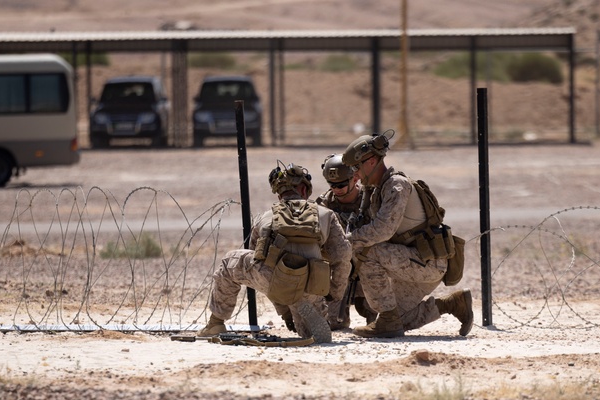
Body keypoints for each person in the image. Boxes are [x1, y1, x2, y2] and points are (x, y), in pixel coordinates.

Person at [197, 162, 352, 344]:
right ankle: (302, 308)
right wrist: (333, 294)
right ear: (304, 189)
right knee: (307, 332)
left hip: (277, 281)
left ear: (279, 194)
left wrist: (282, 309)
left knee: (233, 262)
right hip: (313, 284)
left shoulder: (265, 217)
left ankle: (216, 323)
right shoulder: (326, 214)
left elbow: (259, 261)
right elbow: (343, 256)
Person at [340, 130, 473, 338]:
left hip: (427, 262)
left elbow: (383, 229)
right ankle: (453, 305)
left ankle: (386, 320)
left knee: (369, 254)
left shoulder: (396, 186)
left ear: (372, 161)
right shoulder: (376, 190)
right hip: (411, 261)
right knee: (398, 320)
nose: (354, 174)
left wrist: (345, 242)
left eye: (357, 167)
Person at [314, 153, 375, 330]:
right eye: (332, 185)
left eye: (341, 184)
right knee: (334, 324)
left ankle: (367, 303)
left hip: (368, 269)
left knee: (380, 318)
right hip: (338, 273)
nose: (337, 189)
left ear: (355, 178)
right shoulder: (323, 205)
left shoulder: (370, 200)